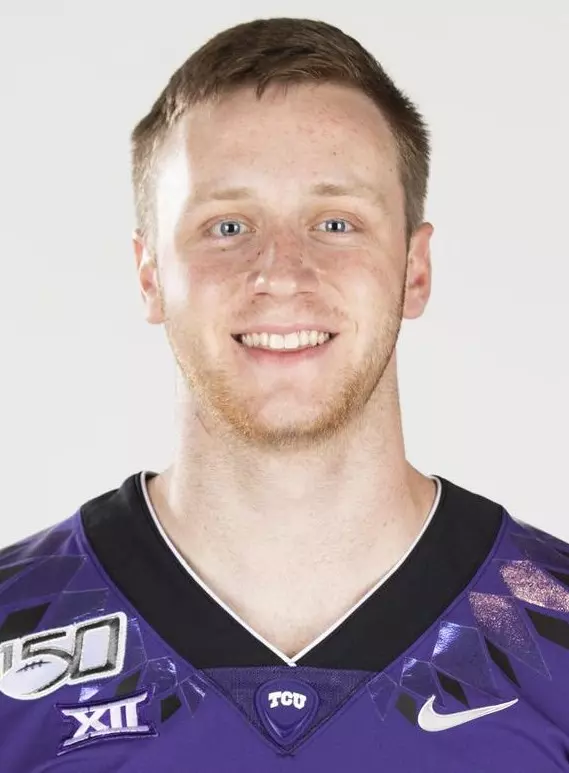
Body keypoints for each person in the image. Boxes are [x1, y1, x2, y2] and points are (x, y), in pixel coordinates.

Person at [0, 16, 568, 772]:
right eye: (226, 224)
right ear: (149, 276)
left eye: (335, 222)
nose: (280, 272)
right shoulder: (16, 627)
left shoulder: (549, 621)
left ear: (413, 269)